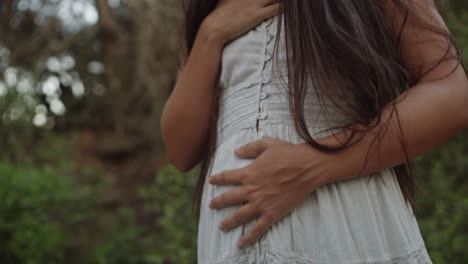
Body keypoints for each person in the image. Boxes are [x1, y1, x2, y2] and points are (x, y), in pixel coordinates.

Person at [161, 0, 468, 263]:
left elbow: (452, 91)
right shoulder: (210, 8)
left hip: (343, 224)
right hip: (230, 243)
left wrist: (315, 164)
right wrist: (210, 34)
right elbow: (180, 149)